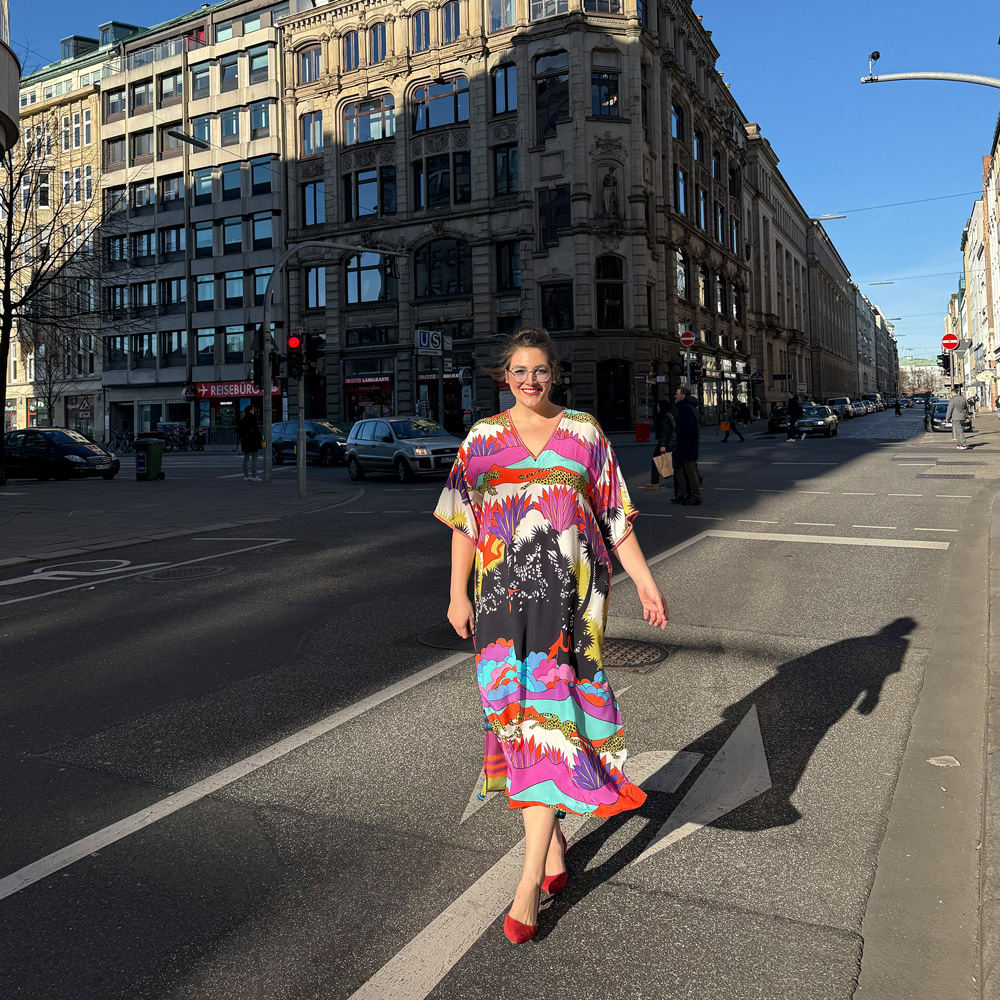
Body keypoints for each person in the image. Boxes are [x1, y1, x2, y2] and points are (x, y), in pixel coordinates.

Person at [435, 327, 667, 945]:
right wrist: (457, 593)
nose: (530, 380)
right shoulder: (482, 440)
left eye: (540, 370)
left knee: (547, 729)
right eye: (519, 371)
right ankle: (556, 843)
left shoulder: (586, 433)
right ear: (503, 377)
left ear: (555, 374)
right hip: (500, 607)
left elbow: (614, 516)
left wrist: (645, 581)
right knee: (516, 722)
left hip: (572, 613)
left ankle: (526, 884)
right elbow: (464, 522)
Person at [672, 385, 701, 505]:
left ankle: (695, 496)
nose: (675, 396)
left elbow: (687, 428)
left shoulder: (686, 409)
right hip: (687, 445)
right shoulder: (689, 407)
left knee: (690, 471)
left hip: (687, 445)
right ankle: (682, 494)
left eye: (677, 394)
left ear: (683, 396)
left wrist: (681, 440)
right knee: (678, 467)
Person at [645, 398, 675, 490]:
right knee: (677, 461)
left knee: (655, 460)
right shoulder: (669, 415)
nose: (657, 408)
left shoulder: (664, 417)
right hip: (671, 440)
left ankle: (654, 482)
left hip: (666, 441)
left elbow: (664, 432)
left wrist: (663, 445)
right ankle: (695, 478)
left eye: (658, 406)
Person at [237, 406, 263, 480]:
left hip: (245, 442)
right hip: (253, 441)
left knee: (246, 458)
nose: (253, 411)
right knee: (254, 458)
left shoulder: (243, 420)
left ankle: (246, 475)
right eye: (252, 409)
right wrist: (260, 439)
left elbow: (238, 430)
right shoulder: (252, 419)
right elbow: (256, 431)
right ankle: (254, 475)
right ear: (250, 411)